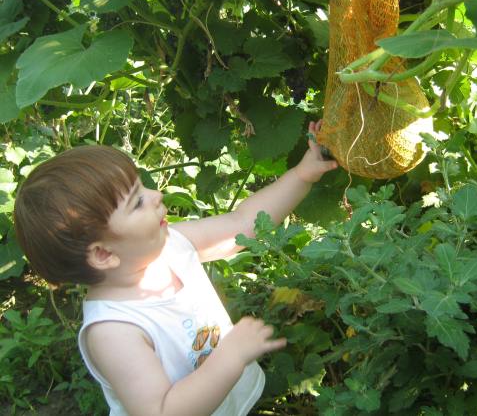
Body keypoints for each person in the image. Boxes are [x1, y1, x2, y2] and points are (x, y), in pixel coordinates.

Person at [13, 120, 337, 416]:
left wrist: (301, 175)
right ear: (103, 253)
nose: (156, 195)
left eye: (142, 187)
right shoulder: (113, 330)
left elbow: (242, 225)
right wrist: (230, 357)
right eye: (137, 202)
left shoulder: (170, 244)